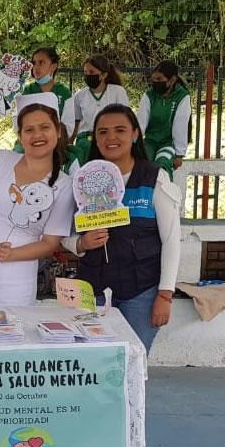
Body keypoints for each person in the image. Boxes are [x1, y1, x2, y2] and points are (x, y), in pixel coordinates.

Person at [62, 104, 181, 353]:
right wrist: (82, 244)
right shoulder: (83, 180)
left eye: (120, 130)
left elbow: (171, 240)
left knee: (132, 362)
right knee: (93, 364)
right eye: (103, 132)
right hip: (91, 290)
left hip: (141, 293)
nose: (111, 138)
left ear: (135, 134)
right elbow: (63, 235)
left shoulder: (153, 178)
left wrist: (165, 295)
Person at [0, 93, 75, 307]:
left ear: (57, 131)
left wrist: (14, 254)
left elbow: (50, 243)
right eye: (29, 129)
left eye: (44, 127)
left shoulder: (64, 184)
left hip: (15, 282)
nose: (37, 135)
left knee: (10, 335)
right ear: (20, 135)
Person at [136, 60, 191, 178]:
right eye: (153, 79)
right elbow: (140, 122)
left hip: (168, 143)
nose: (155, 83)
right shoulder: (149, 95)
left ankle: (163, 195)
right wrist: (134, 144)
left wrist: (179, 154)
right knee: (141, 163)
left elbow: (180, 125)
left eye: (159, 80)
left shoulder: (182, 96)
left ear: (172, 80)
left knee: (162, 166)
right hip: (149, 142)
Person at [70, 55, 129, 164]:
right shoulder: (80, 95)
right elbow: (76, 122)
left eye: (91, 72)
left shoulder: (117, 91)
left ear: (104, 75)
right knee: (85, 149)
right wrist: (69, 142)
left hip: (110, 135)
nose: (87, 76)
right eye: (85, 72)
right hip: (86, 137)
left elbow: (126, 118)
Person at [20, 48, 75, 138]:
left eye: (41, 62)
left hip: (57, 142)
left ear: (53, 66)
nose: (36, 67)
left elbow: (68, 126)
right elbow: (19, 122)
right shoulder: (27, 91)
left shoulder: (64, 93)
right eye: (34, 63)